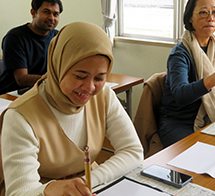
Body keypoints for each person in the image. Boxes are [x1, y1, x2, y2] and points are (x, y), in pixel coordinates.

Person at [0, 22, 144, 196]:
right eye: (80, 76)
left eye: (99, 78)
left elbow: (133, 151)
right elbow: (19, 192)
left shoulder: (104, 96)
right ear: (58, 66)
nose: (90, 87)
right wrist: (49, 190)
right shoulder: (21, 116)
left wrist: (86, 182)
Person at [158, 0, 215, 148]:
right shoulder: (180, 54)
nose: (211, 18)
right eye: (203, 12)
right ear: (190, 17)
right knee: (201, 157)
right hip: (181, 122)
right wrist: (211, 81)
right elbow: (180, 95)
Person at [0, 0, 63, 95]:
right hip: (12, 94)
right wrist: (57, 81)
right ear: (33, 13)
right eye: (46, 12)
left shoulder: (58, 37)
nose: (51, 18)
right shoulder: (15, 37)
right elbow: (22, 79)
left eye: (56, 14)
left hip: (43, 91)